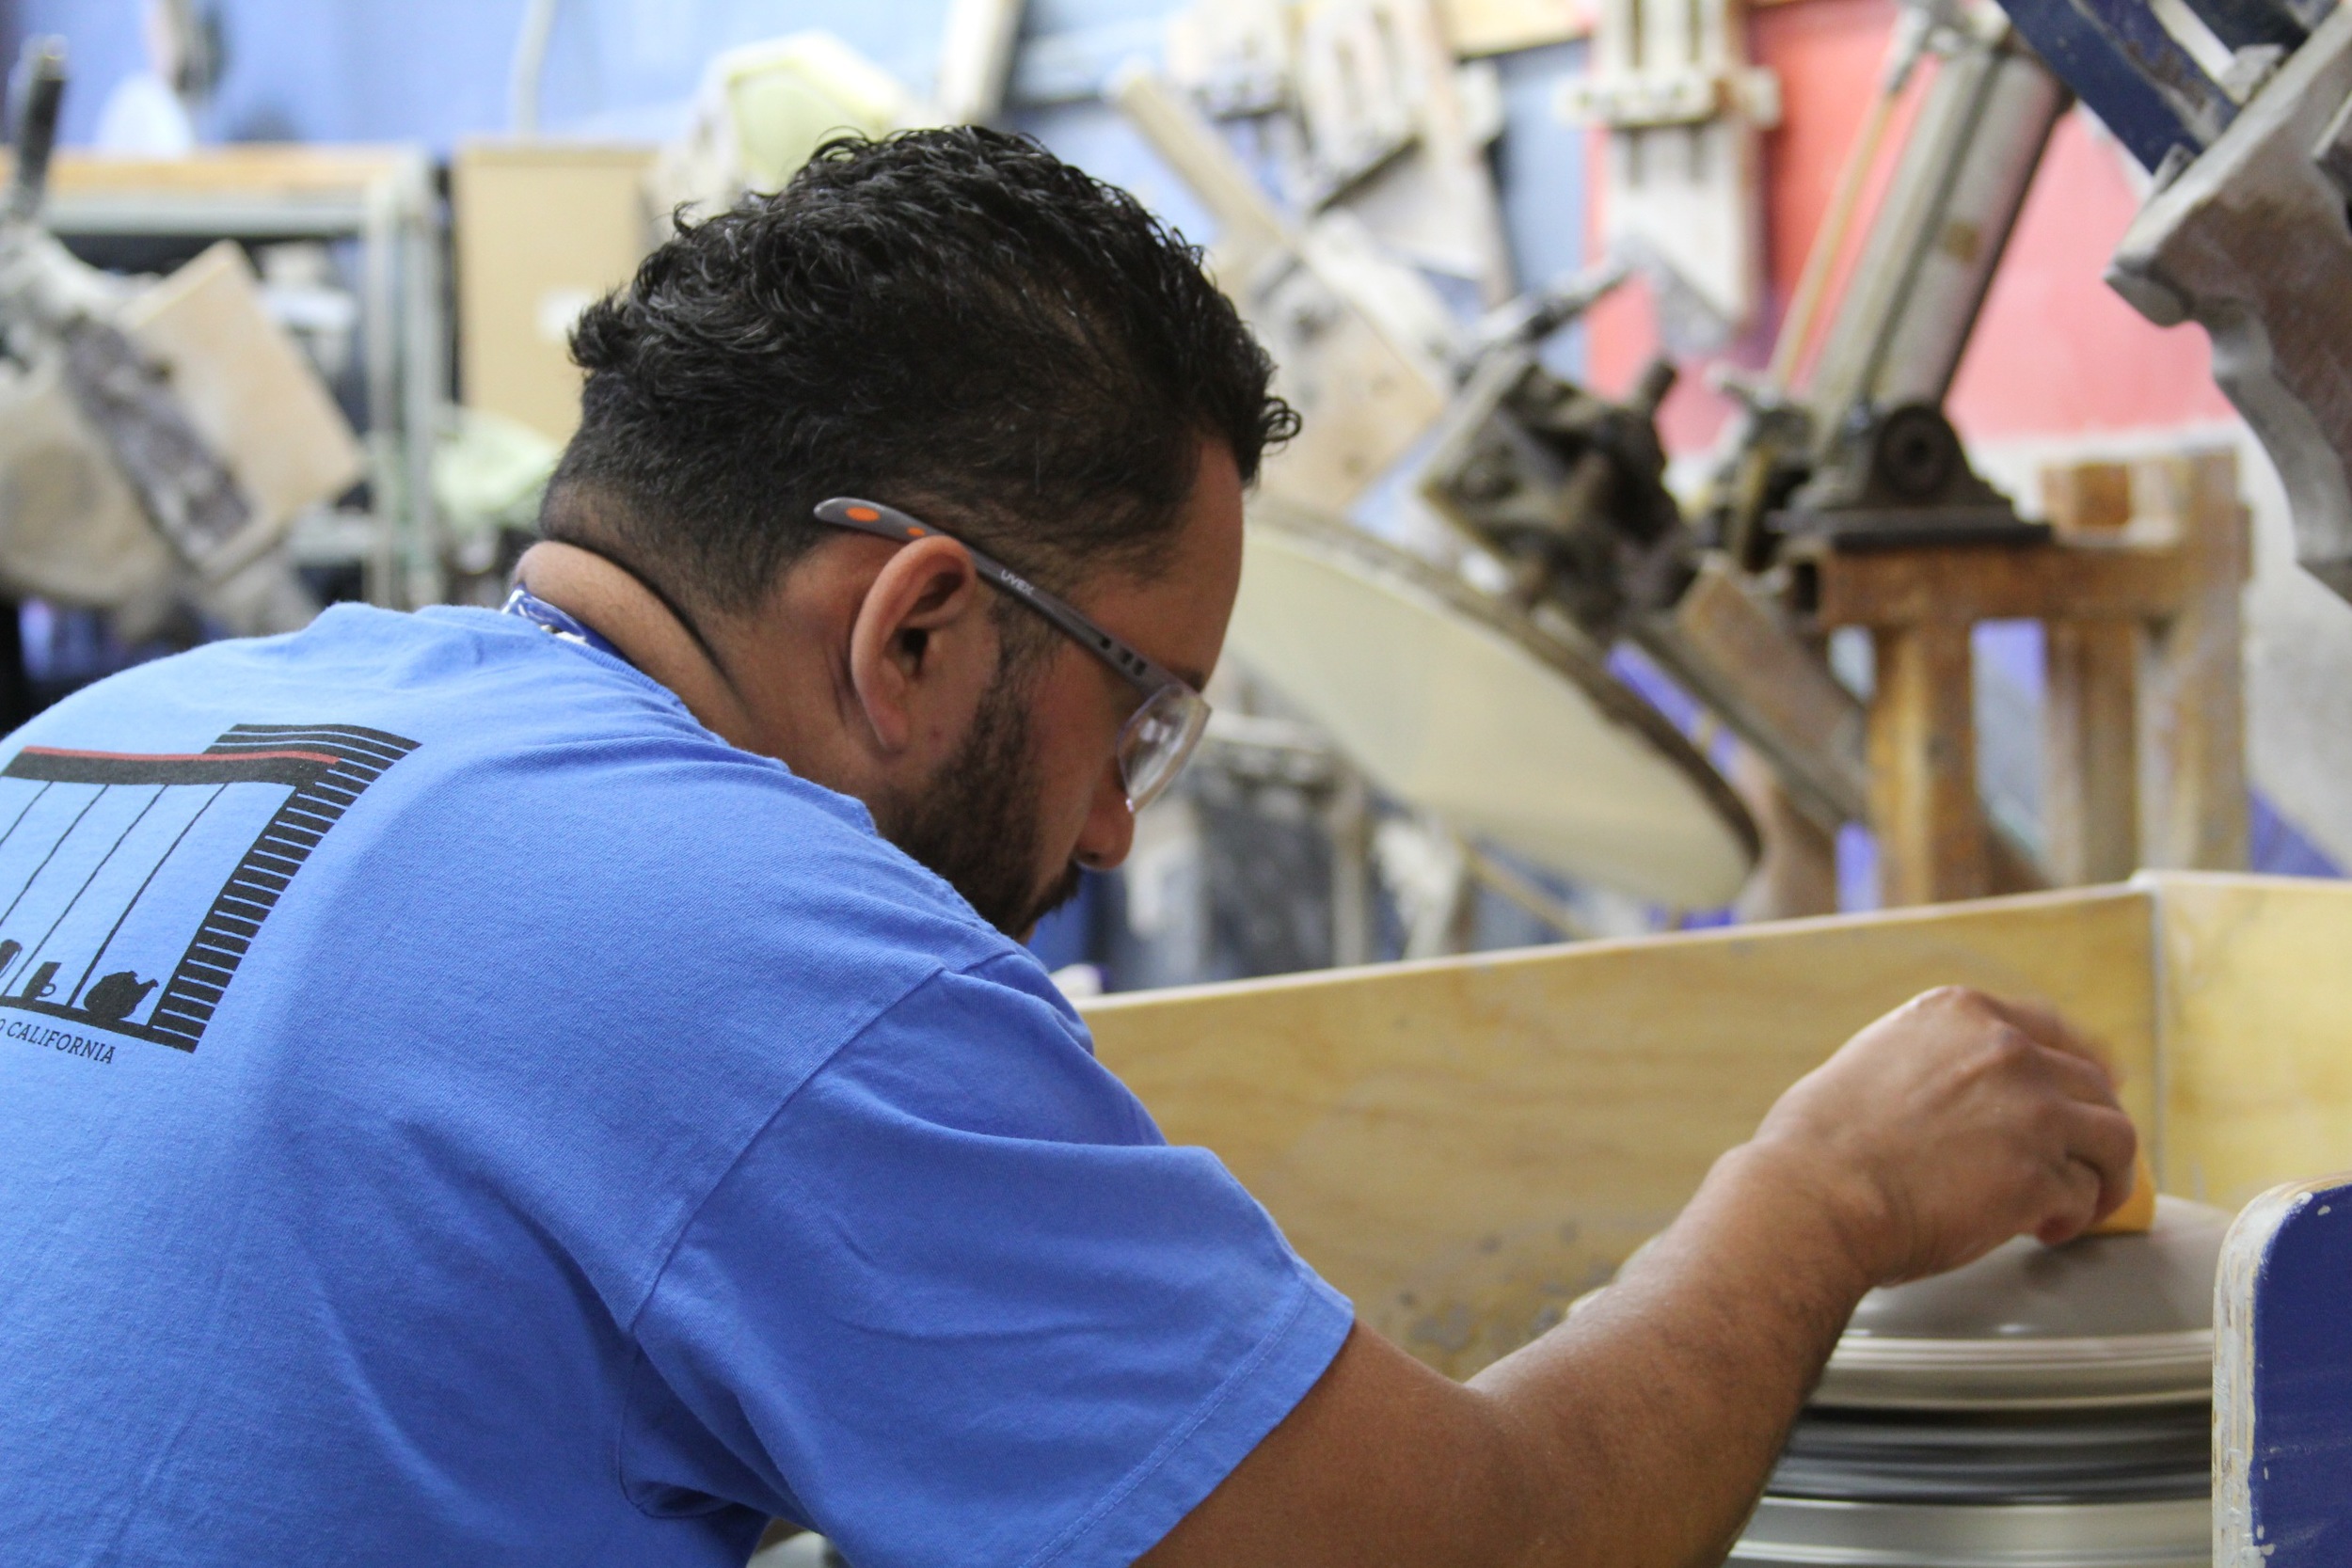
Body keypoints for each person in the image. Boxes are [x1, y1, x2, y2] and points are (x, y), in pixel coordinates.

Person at [0, 129, 2134, 1568]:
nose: (1117, 818)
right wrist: (1819, 1197)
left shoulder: (126, 736)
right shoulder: (755, 952)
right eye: (1137, 709)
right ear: (917, 623)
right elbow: (1477, 1548)